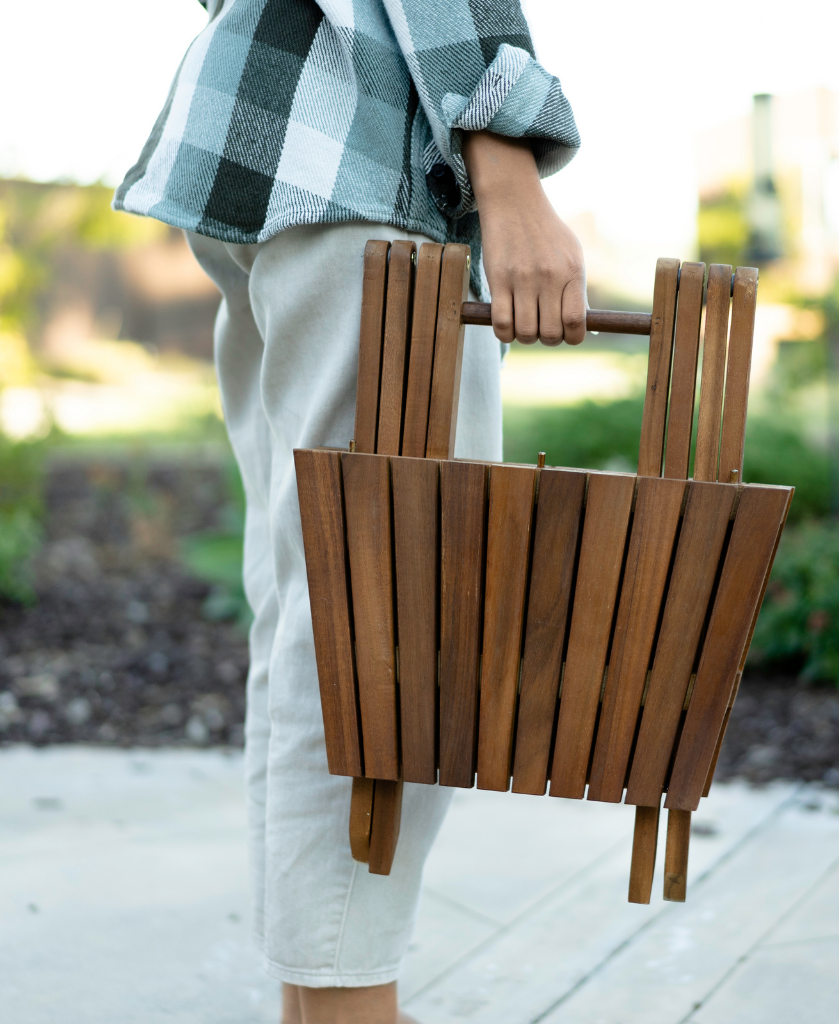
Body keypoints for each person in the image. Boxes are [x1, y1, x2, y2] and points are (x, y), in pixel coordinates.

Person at [114, 1, 584, 1021]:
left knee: (317, 605)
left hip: (270, 127)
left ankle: (326, 995)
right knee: (392, 623)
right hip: (361, 147)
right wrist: (505, 165)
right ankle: (345, 1005)